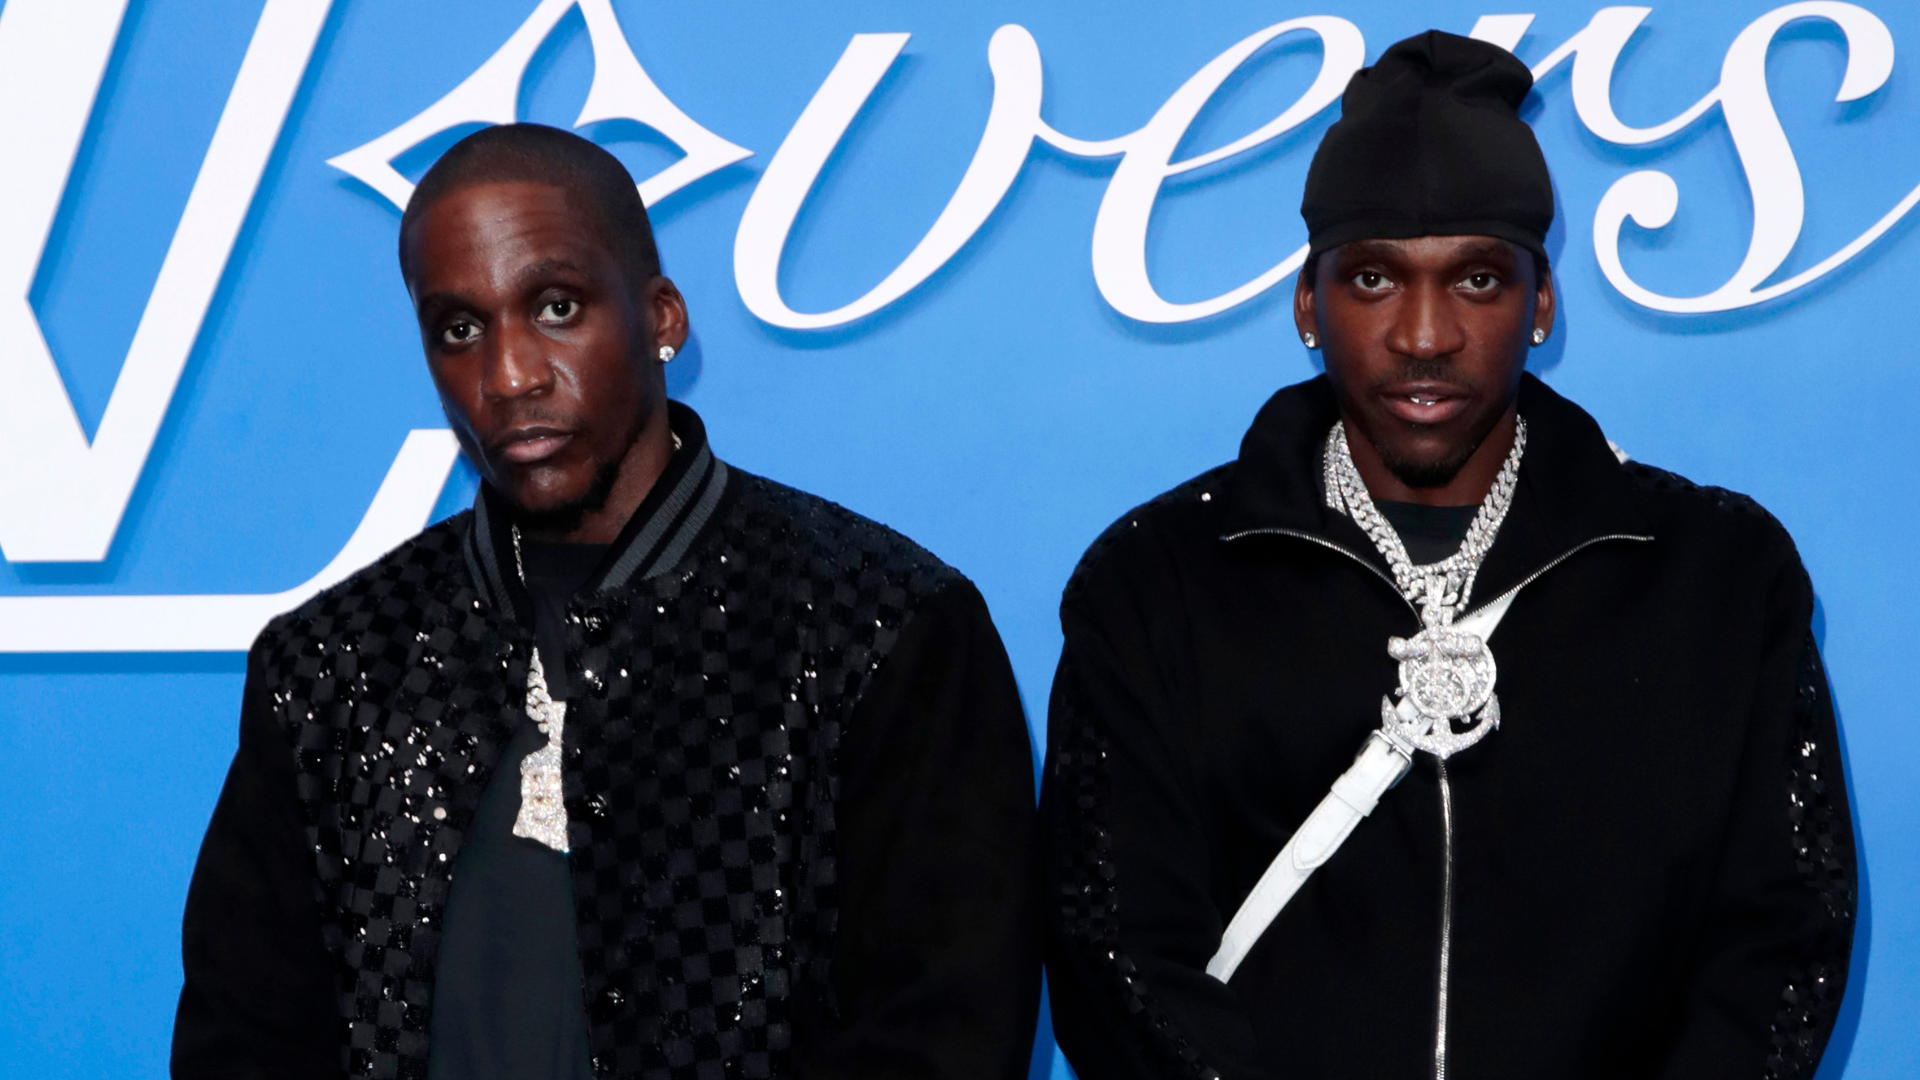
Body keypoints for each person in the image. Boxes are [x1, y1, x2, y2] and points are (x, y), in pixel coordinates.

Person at [1042, 31, 1855, 1080]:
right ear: (1307, 304)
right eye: (1373, 278)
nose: (1424, 336)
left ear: (1542, 302)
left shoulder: (1717, 579)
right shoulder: (1157, 583)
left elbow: (1779, 941)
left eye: (1476, 279)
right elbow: (1115, 955)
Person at [172, 123, 1041, 1080]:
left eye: (556, 307)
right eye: (459, 329)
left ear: (661, 317)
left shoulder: (880, 627)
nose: (509, 375)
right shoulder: (332, 664)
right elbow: (241, 1047)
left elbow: (945, 1038)